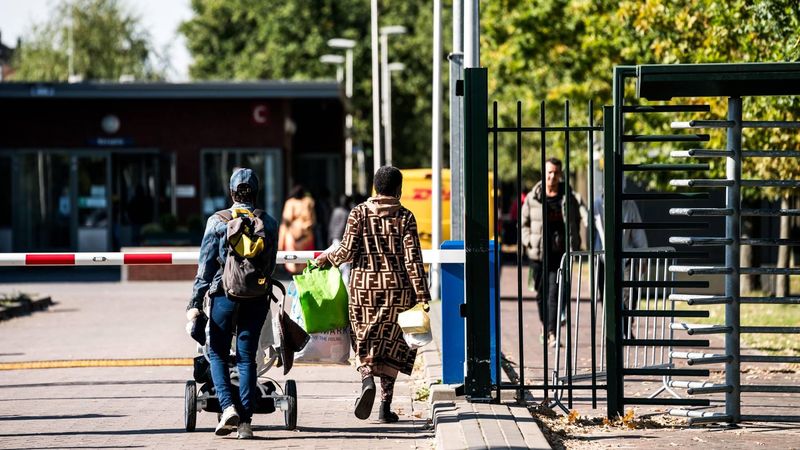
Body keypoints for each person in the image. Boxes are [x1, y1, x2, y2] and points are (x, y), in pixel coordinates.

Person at [314, 166, 431, 423]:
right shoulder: (405, 217)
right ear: (399, 189)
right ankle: (385, 407)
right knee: (392, 346)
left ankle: (367, 379)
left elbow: (345, 250)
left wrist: (326, 258)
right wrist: (422, 295)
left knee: (364, 341)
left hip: (363, 291)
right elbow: (413, 260)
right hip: (397, 294)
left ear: (375, 188)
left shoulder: (359, 213)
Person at [185, 168, 279, 440]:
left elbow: (205, 267)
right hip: (257, 296)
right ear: (257, 192)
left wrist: (193, 302)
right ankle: (246, 423)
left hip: (223, 295)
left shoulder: (217, 222)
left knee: (217, 352)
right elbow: (270, 264)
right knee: (248, 355)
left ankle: (227, 407)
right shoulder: (268, 222)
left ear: (232, 192)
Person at [521, 157, 583, 347]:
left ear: (560, 174)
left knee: (554, 294)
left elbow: (577, 220)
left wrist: (574, 242)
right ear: (544, 173)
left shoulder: (568, 197)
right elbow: (523, 224)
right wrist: (528, 241)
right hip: (538, 254)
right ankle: (546, 326)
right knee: (540, 295)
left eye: (556, 172)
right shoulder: (534, 197)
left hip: (560, 254)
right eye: (549, 172)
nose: (552, 176)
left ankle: (552, 333)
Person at [278, 185, 316, 274]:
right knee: (292, 258)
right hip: (293, 235)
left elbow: (312, 219)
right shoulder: (292, 203)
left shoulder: (307, 202)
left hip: (304, 234)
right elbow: (286, 221)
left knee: (303, 259)